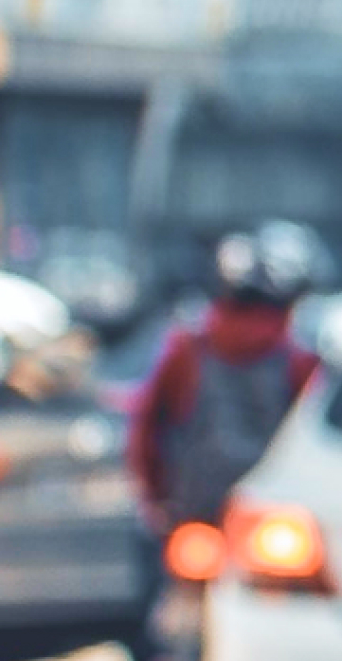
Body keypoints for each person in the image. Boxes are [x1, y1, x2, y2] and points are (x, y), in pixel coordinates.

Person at [131, 223, 323, 537]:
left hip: (194, 513)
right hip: (277, 519)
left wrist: (156, 496)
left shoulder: (186, 352)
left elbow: (146, 430)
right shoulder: (299, 362)